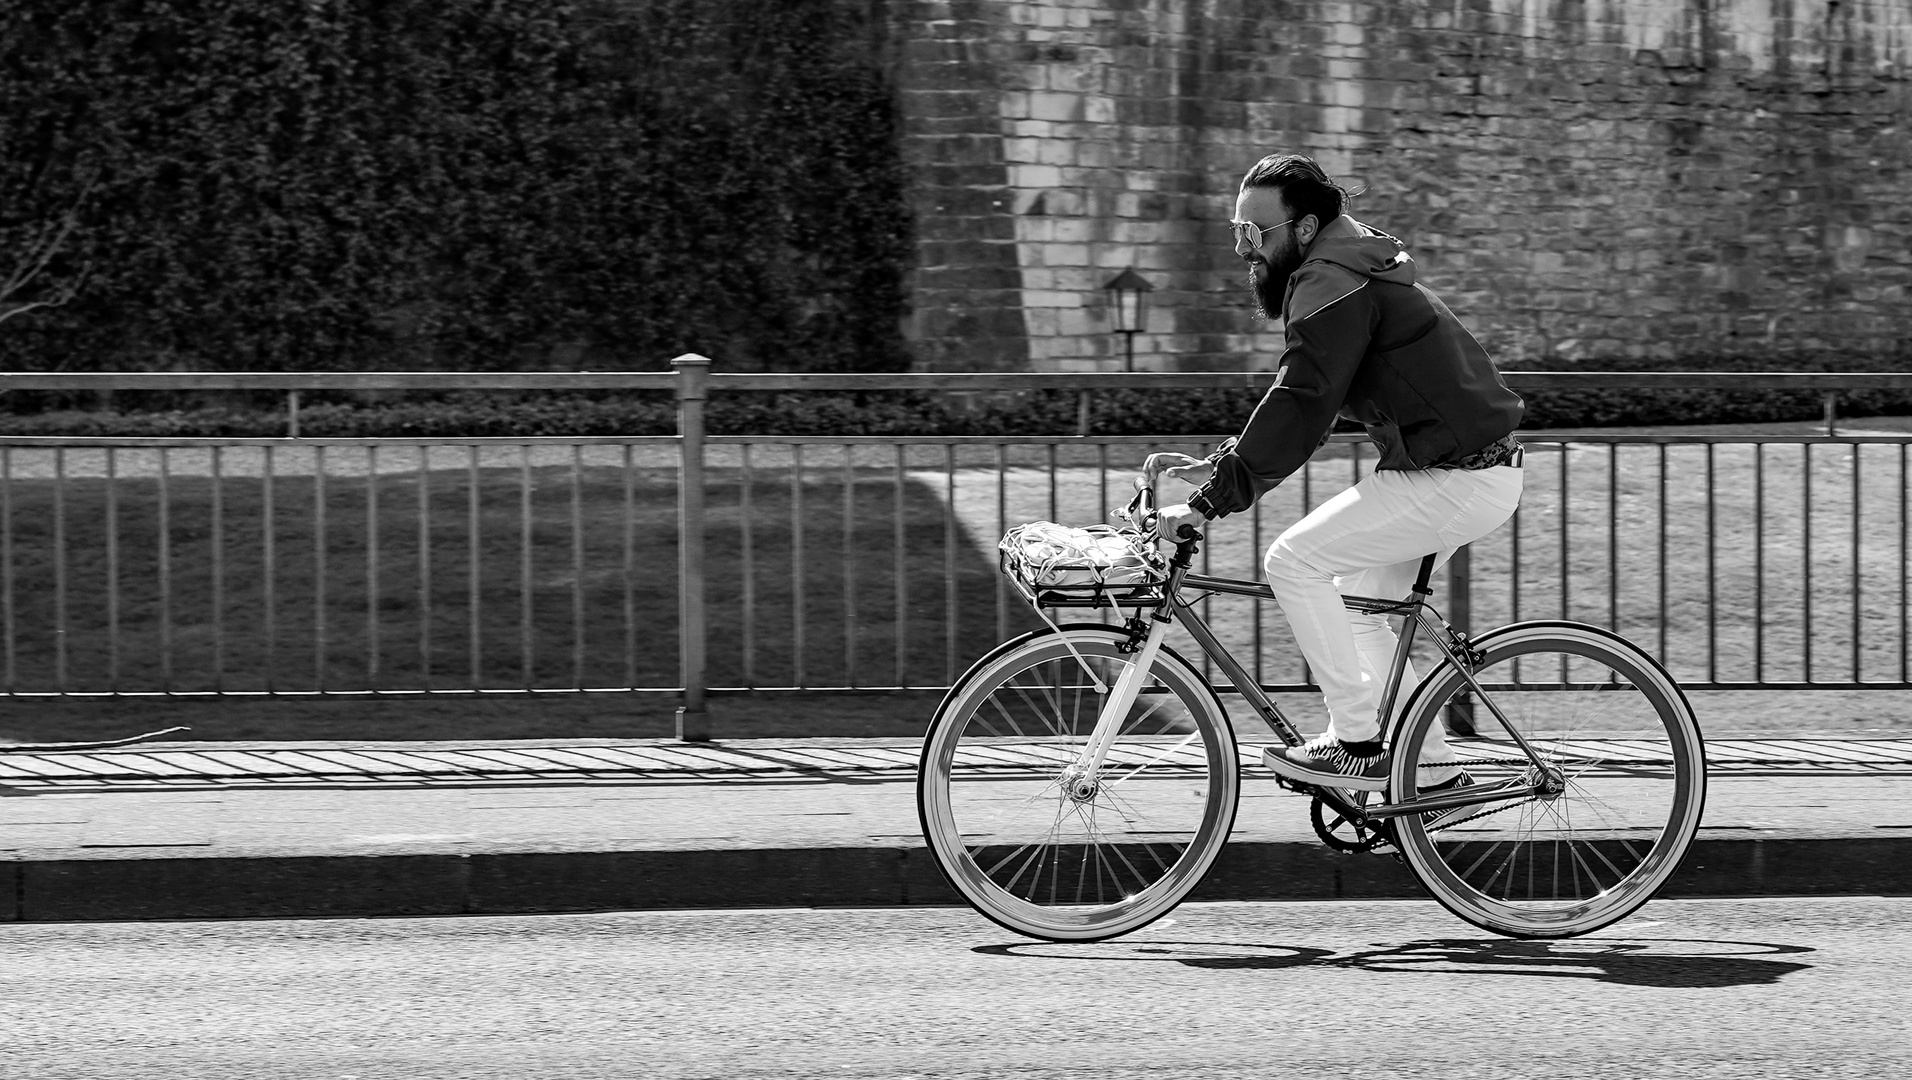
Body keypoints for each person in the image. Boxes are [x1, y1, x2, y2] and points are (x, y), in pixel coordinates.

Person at [1152, 153, 1526, 793]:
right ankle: (1426, 766)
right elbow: (1308, 398)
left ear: (1303, 229)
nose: (1246, 249)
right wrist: (1224, 466)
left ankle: (1356, 741)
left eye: (1257, 233)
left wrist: (1216, 498)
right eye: (1238, 231)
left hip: (1457, 476)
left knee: (1292, 562)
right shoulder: (1346, 266)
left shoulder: (1332, 278)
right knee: (1358, 606)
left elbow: (1304, 398)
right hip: (1452, 470)